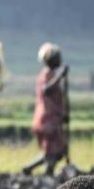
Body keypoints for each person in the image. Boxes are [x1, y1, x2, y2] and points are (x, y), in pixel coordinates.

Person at [22, 43, 68, 176]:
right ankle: (45, 173)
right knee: (52, 152)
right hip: (47, 119)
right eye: (58, 58)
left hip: (52, 118)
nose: (60, 60)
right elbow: (46, 90)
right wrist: (60, 76)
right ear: (51, 60)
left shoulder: (51, 74)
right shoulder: (47, 74)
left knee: (55, 152)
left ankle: (33, 169)